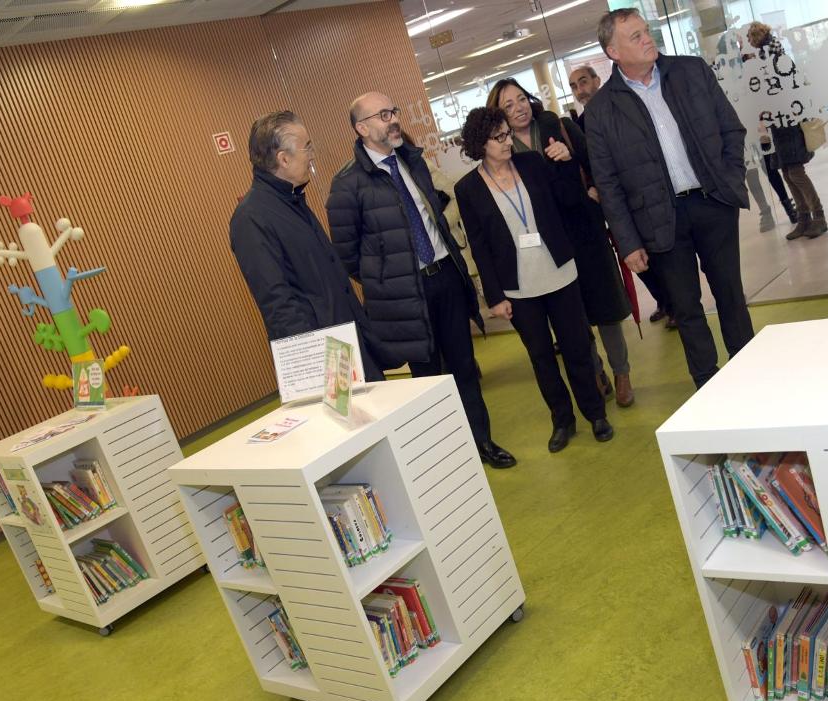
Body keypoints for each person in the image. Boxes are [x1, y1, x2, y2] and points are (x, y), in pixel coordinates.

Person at [327, 92, 516, 469]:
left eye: (393, 111)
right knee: (427, 375)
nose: (393, 119)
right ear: (361, 128)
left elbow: (435, 215)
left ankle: (482, 441)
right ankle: (448, 452)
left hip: (445, 275)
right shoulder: (347, 186)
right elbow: (347, 255)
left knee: (464, 366)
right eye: (383, 115)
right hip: (406, 292)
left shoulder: (413, 161)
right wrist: (389, 279)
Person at [585, 9, 756, 389]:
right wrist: (627, 242)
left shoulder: (691, 71)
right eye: (636, 36)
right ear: (613, 52)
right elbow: (608, 184)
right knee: (687, 309)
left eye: (647, 31)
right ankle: (709, 389)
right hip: (660, 221)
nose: (648, 39)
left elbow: (731, 128)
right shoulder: (600, 111)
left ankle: (752, 378)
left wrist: (728, 180)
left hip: (713, 204)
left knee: (731, 296)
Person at [455, 107, 614, 452]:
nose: (508, 141)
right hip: (518, 287)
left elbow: (569, 198)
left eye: (507, 134)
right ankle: (562, 420)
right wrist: (494, 296)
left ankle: (596, 413)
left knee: (577, 350)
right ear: (480, 143)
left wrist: (568, 162)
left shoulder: (533, 164)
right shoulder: (467, 188)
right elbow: (479, 246)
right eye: (499, 137)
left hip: (559, 273)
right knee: (541, 358)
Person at [488, 78, 637, 407]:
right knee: (574, 314)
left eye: (521, 99)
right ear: (498, 115)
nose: (518, 108)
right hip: (549, 242)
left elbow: (596, 162)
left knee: (606, 306)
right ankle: (596, 370)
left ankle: (621, 372)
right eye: (508, 105)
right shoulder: (503, 149)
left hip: (586, 230)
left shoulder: (558, 125)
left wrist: (593, 186)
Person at [230, 110, 385, 381]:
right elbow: (278, 303)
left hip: (346, 339)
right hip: (324, 356)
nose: (312, 154)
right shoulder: (251, 217)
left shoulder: (292, 200)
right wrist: (321, 373)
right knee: (352, 420)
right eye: (307, 147)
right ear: (284, 158)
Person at [570, 63, 675, 330]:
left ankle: (675, 303)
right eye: (573, 86)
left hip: (635, 195)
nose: (579, 90)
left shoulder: (616, 107)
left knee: (655, 253)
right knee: (633, 257)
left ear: (596, 80)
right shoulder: (579, 124)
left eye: (583, 82)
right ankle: (663, 300)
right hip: (610, 204)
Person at [745, 22, 827, 240]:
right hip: (779, 124)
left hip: (789, 121)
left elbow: (790, 89)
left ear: (756, 37)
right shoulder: (766, 58)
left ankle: (818, 216)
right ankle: (804, 218)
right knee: (788, 173)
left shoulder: (777, 58)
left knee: (796, 172)